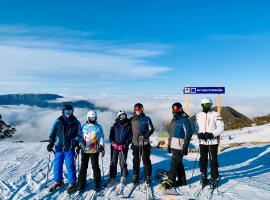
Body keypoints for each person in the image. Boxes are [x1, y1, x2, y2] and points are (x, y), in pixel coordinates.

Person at [47, 104, 81, 194]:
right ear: (63, 112)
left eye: (70, 112)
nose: (68, 114)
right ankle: (58, 181)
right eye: (66, 112)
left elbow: (79, 135)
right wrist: (51, 143)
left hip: (69, 148)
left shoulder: (76, 122)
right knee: (57, 165)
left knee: (70, 166)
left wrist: (77, 142)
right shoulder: (57, 121)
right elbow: (52, 133)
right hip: (58, 148)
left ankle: (72, 183)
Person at [161, 102, 193, 190]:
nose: (176, 111)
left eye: (178, 109)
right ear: (172, 110)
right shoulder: (173, 120)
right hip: (173, 146)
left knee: (173, 164)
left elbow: (189, 133)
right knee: (178, 164)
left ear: (181, 109)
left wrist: (185, 146)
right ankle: (182, 181)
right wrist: (169, 144)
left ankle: (170, 182)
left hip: (180, 147)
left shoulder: (184, 119)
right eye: (174, 109)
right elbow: (171, 134)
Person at [193, 98, 224, 188]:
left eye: (207, 105)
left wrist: (212, 134)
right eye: (204, 105)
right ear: (201, 105)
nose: (206, 107)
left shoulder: (216, 114)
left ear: (210, 105)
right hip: (202, 141)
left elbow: (221, 127)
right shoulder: (198, 115)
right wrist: (198, 133)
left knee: (213, 160)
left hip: (213, 141)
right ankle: (203, 175)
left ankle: (214, 177)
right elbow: (195, 126)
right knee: (203, 159)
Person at [77, 110, 105, 192]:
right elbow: (80, 138)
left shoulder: (98, 127)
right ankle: (82, 182)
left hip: (94, 150)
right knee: (83, 167)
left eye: (94, 118)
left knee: (95, 166)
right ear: (88, 118)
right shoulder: (84, 127)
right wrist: (78, 146)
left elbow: (101, 137)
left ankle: (97, 181)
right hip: (84, 149)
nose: (93, 119)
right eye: (91, 118)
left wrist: (101, 146)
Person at [131, 103, 154, 185]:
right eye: (136, 110)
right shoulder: (132, 119)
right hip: (135, 143)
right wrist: (131, 142)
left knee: (146, 160)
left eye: (139, 109)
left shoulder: (147, 119)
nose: (138, 111)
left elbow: (152, 129)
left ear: (142, 110)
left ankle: (148, 176)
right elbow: (130, 131)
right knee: (136, 160)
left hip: (145, 143)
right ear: (134, 110)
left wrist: (145, 136)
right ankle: (136, 175)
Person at [107, 111, 133, 186]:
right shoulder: (115, 125)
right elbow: (111, 136)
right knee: (113, 162)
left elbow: (130, 137)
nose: (123, 117)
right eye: (121, 116)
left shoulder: (129, 126)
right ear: (118, 117)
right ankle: (112, 177)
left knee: (122, 162)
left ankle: (123, 176)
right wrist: (113, 142)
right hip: (114, 147)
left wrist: (125, 144)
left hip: (123, 147)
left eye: (124, 116)